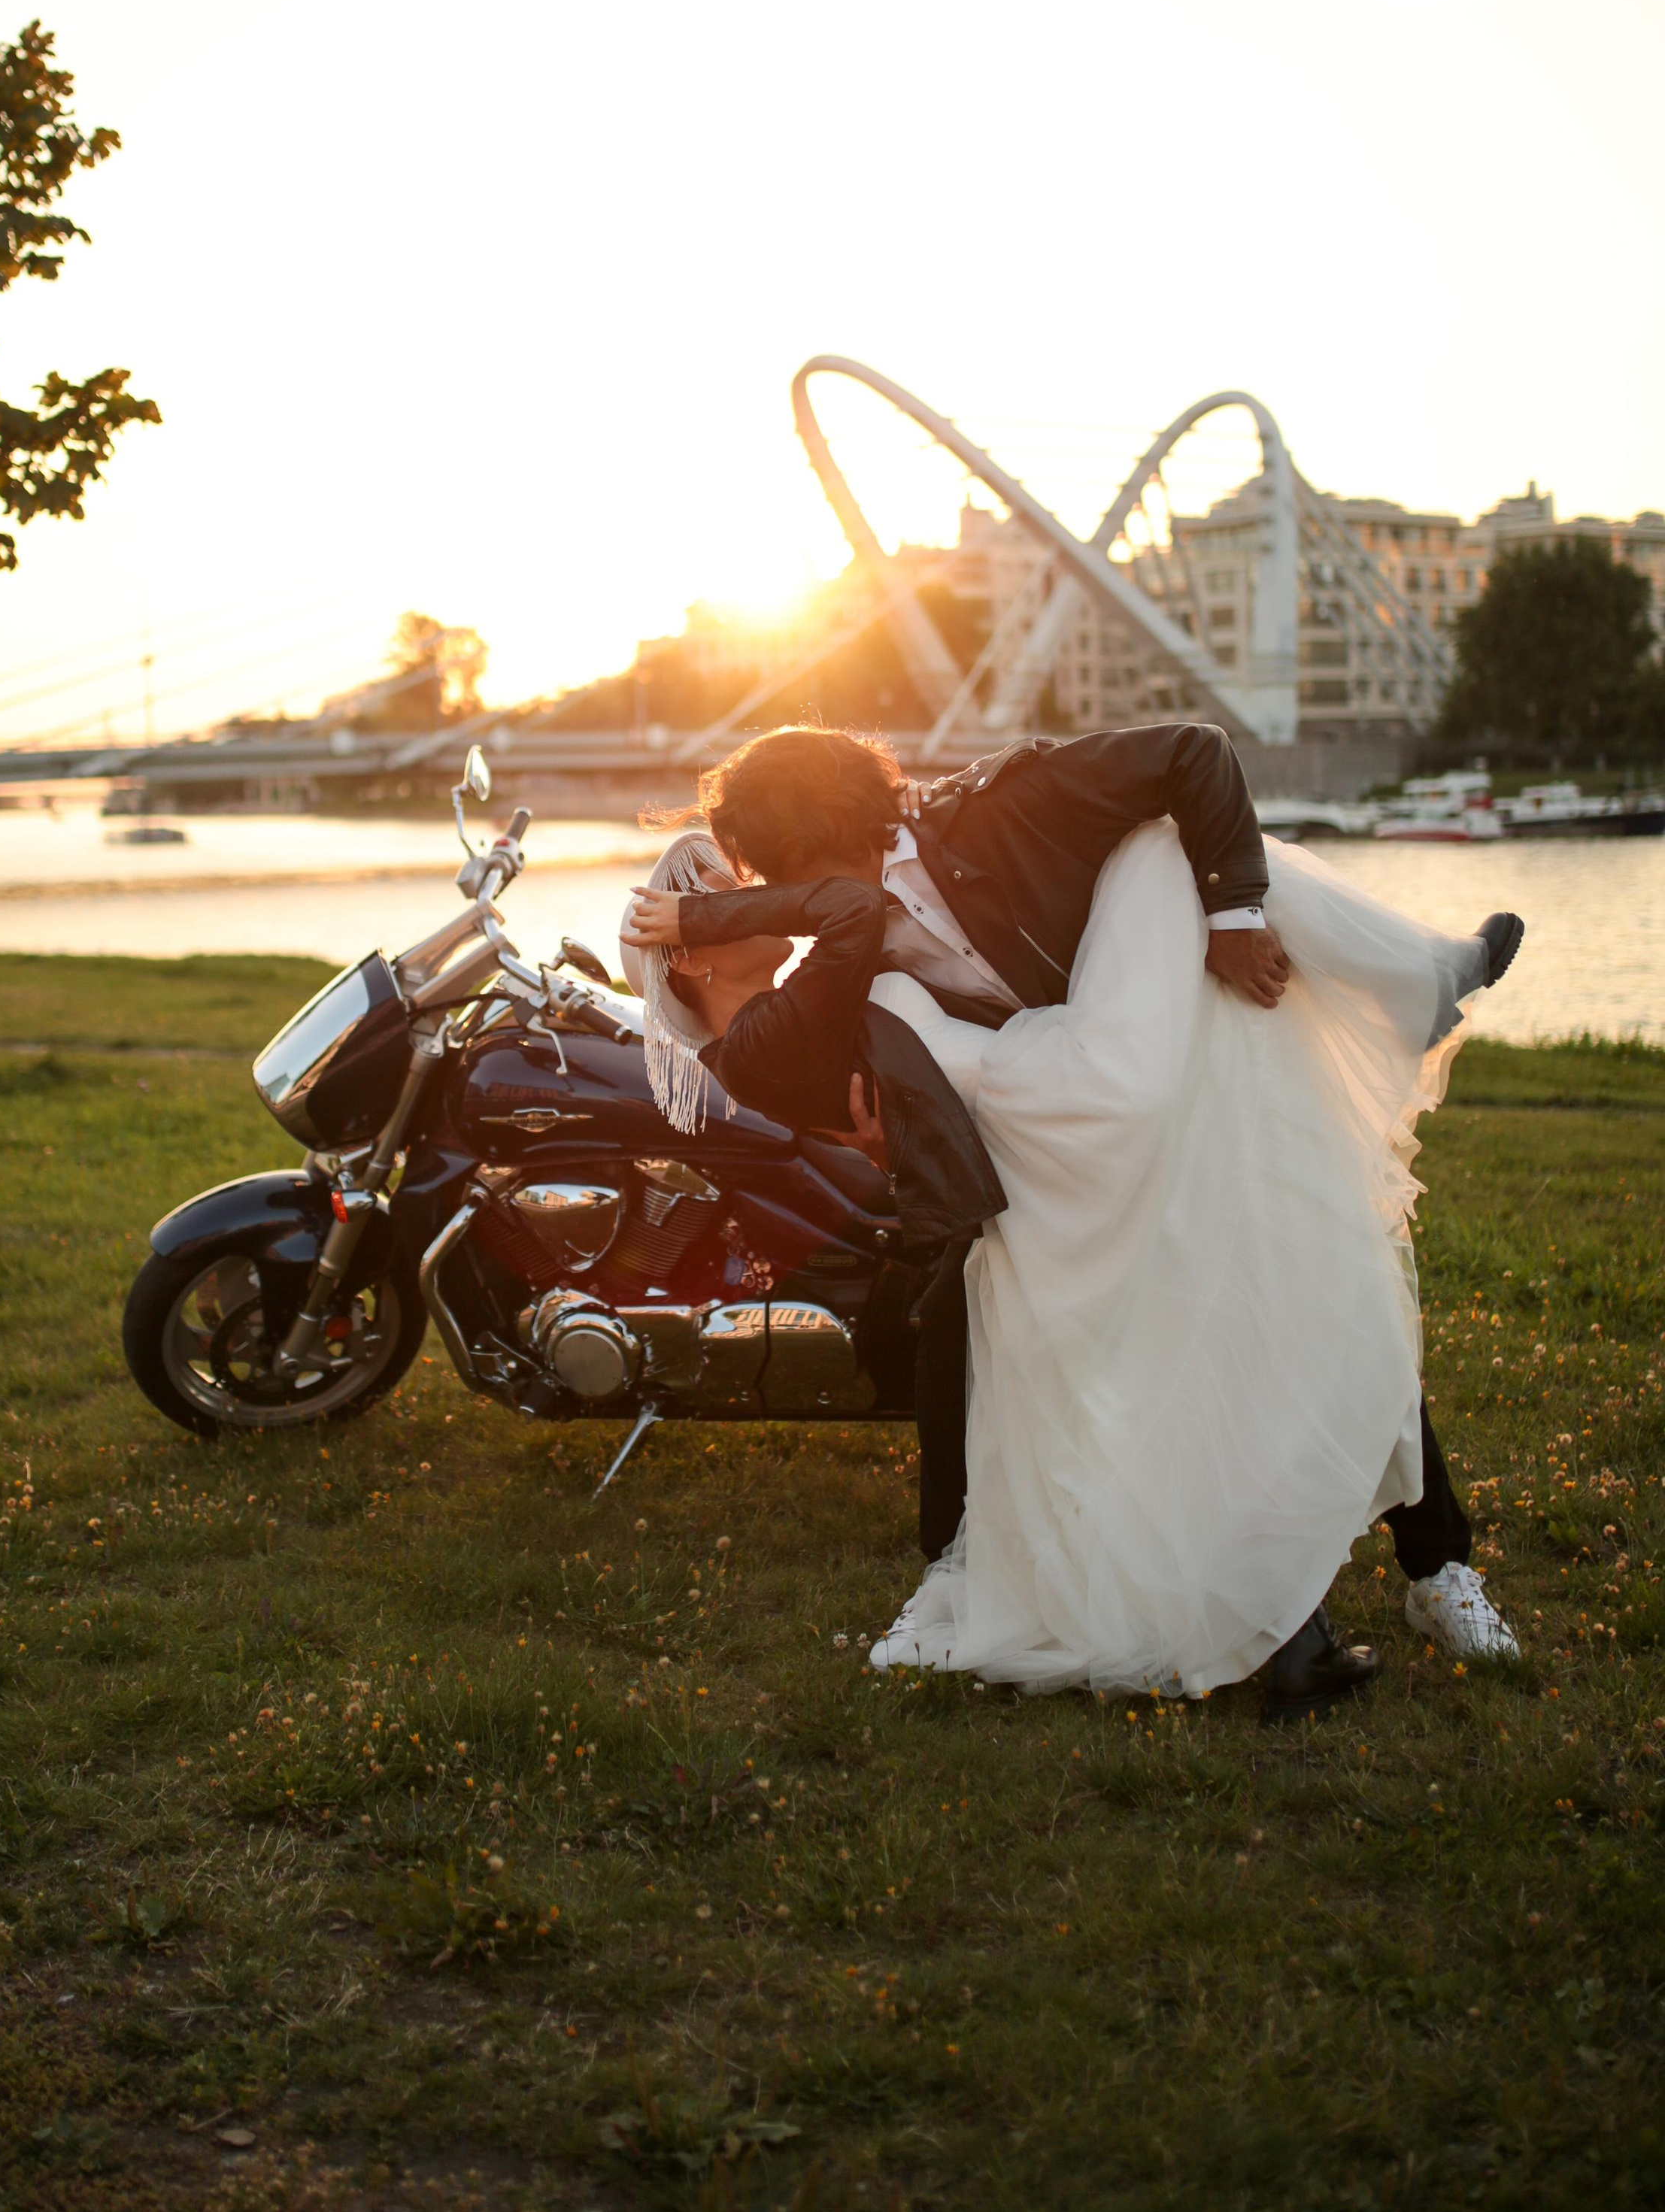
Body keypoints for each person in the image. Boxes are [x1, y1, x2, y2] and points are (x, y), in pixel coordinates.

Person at [629, 722, 1521, 1716]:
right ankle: (1040, 1577)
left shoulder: (1005, 805)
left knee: (1326, 1280)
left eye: (768, 874)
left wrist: (1233, 916)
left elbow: (1197, 758)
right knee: (1049, 1339)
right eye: (737, 892)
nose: (765, 903)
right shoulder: (823, 974)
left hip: (1185, 1069)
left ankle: (1438, 1572)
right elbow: (853, 1082)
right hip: (1061, 1147)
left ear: (827, 833)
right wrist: (882, 1134)